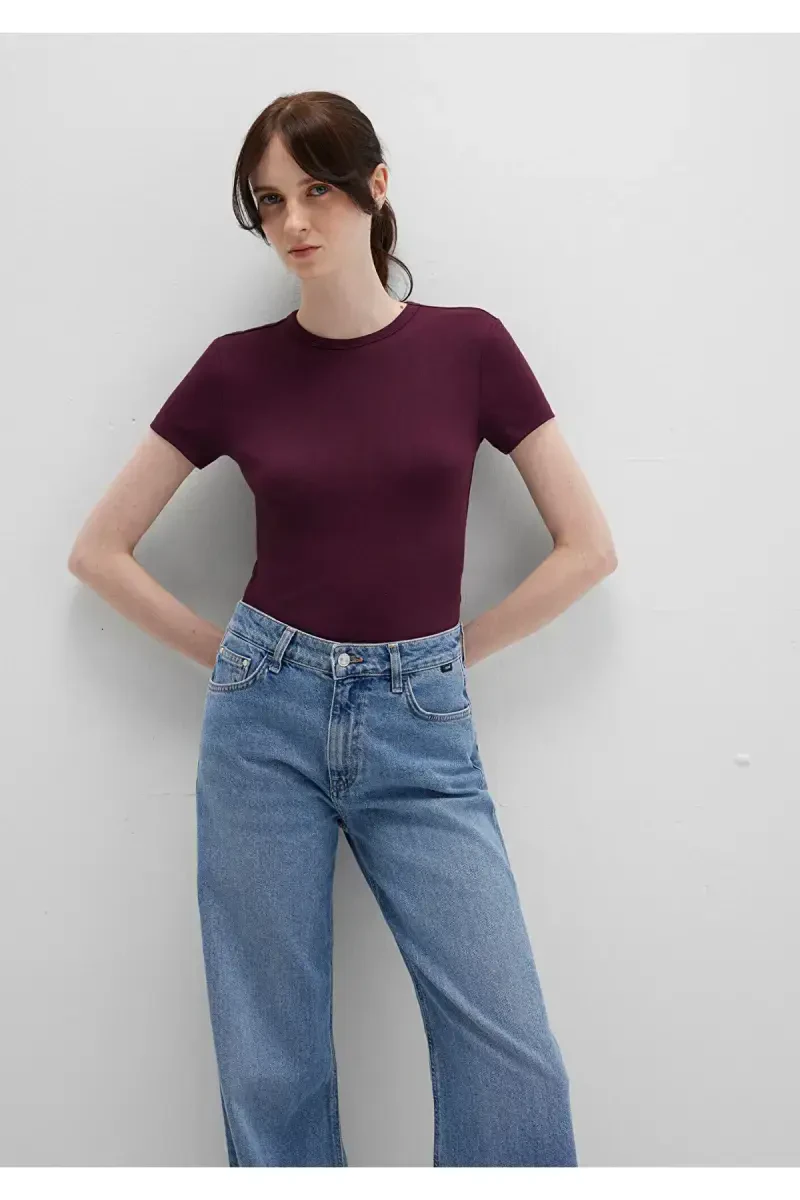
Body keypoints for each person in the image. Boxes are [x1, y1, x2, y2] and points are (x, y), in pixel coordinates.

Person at [68, 90, 616, 1167]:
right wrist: (236, 661)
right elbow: (99, 552)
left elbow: (586, 548)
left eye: (315, 188)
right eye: (269, 201)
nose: (293, 221)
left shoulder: (469, 347)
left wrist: (449, 658)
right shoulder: (235, 368)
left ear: (375, 186)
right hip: (261, 731)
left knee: (511, 1055)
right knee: (269, 1058)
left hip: (423, 725)